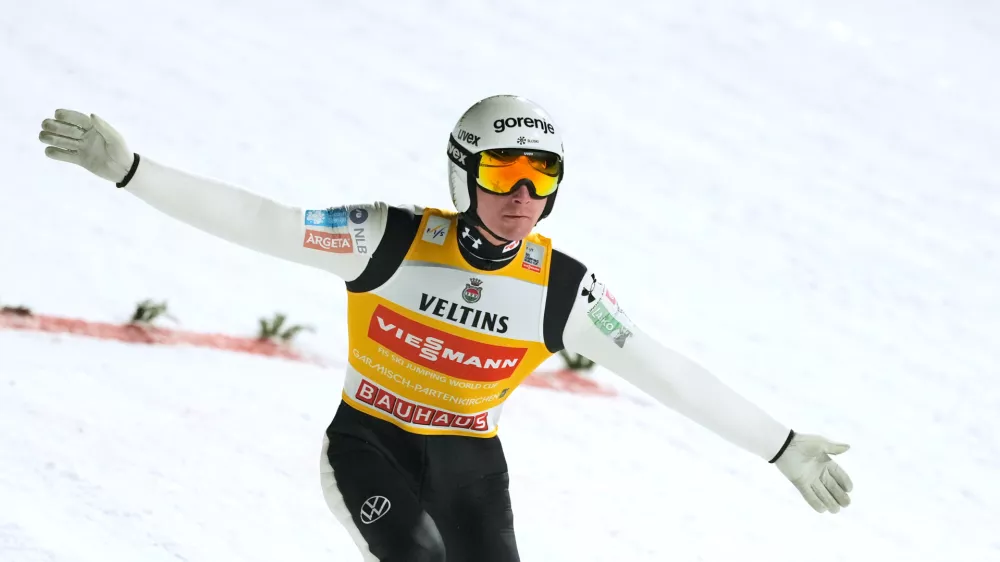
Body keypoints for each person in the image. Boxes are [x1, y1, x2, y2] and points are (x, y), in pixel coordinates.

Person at [38, 95, 854, 561]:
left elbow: (666, 370)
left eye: (542, 178)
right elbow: (262, 221)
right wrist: (129, 171)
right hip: (369, 445)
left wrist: (783, 447)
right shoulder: (387, 237)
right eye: (503, 172)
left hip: (469, 464)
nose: (522, 196)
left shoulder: (561, 289)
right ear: (464, 172)